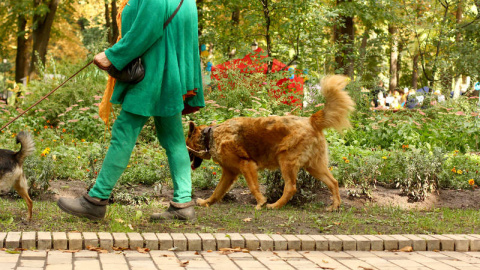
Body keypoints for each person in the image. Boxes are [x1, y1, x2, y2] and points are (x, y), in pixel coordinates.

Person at [57, 0, 205, 221]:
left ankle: (96, 201)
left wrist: (113, 55)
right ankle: (183, 205)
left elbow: (147, 28)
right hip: (171, 77)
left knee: (124, 132)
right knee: (173, 139)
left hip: (153, 75)